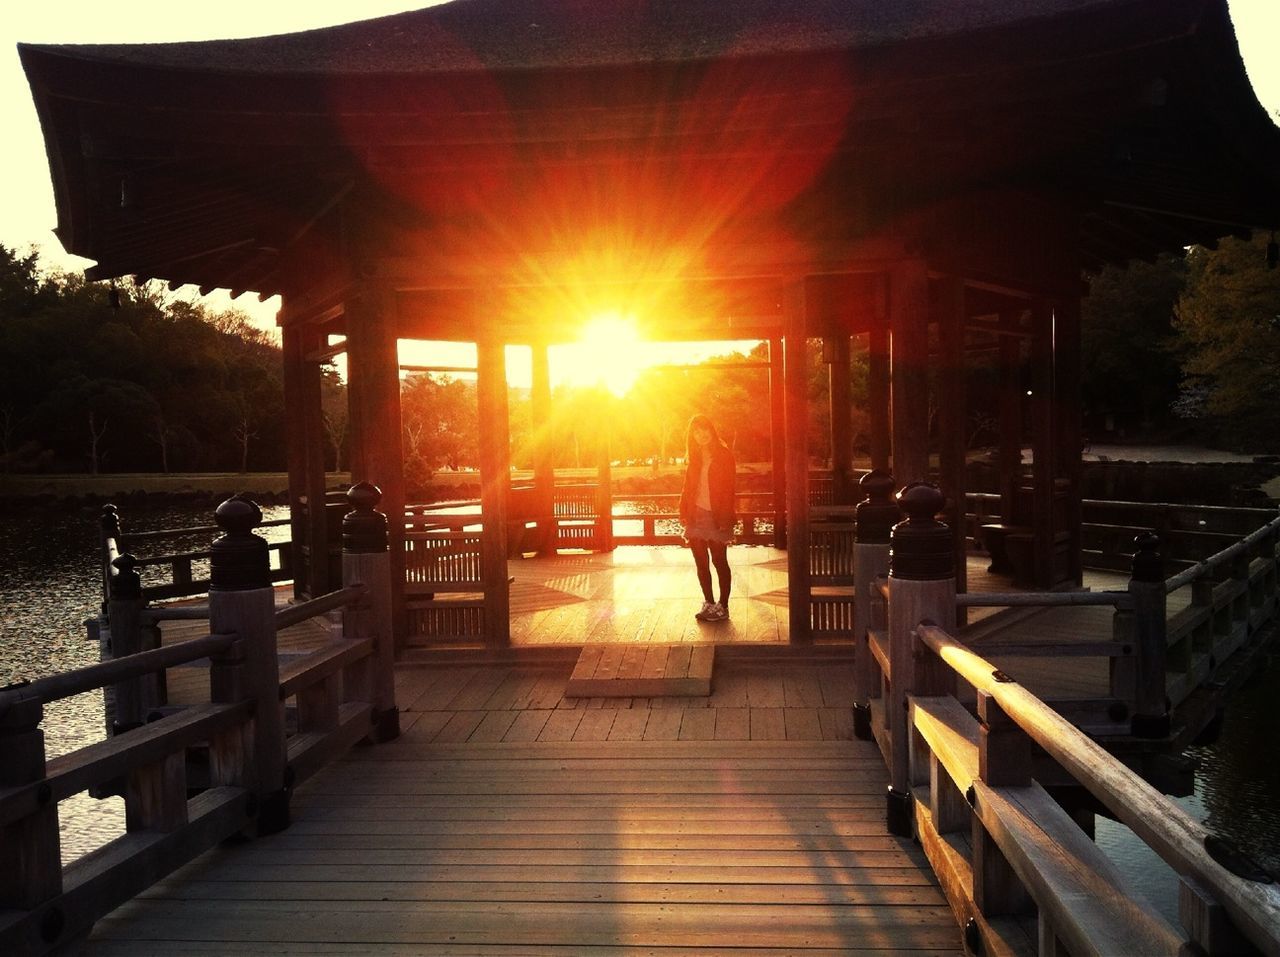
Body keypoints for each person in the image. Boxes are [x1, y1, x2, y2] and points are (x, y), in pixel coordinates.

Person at [678, 413, 735, 622]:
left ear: (712, 430)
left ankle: (724, 606)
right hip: (695, 516)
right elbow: (688, 487)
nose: (701, 434)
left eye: (704, 429)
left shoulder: (724, 455)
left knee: (720, 561)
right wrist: (683, 510)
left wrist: (726, 519)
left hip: (717, 516)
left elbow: (730, 490)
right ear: (692, 435)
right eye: (696, 431)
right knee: (701, 563)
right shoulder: (693, 457)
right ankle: (709, 603)